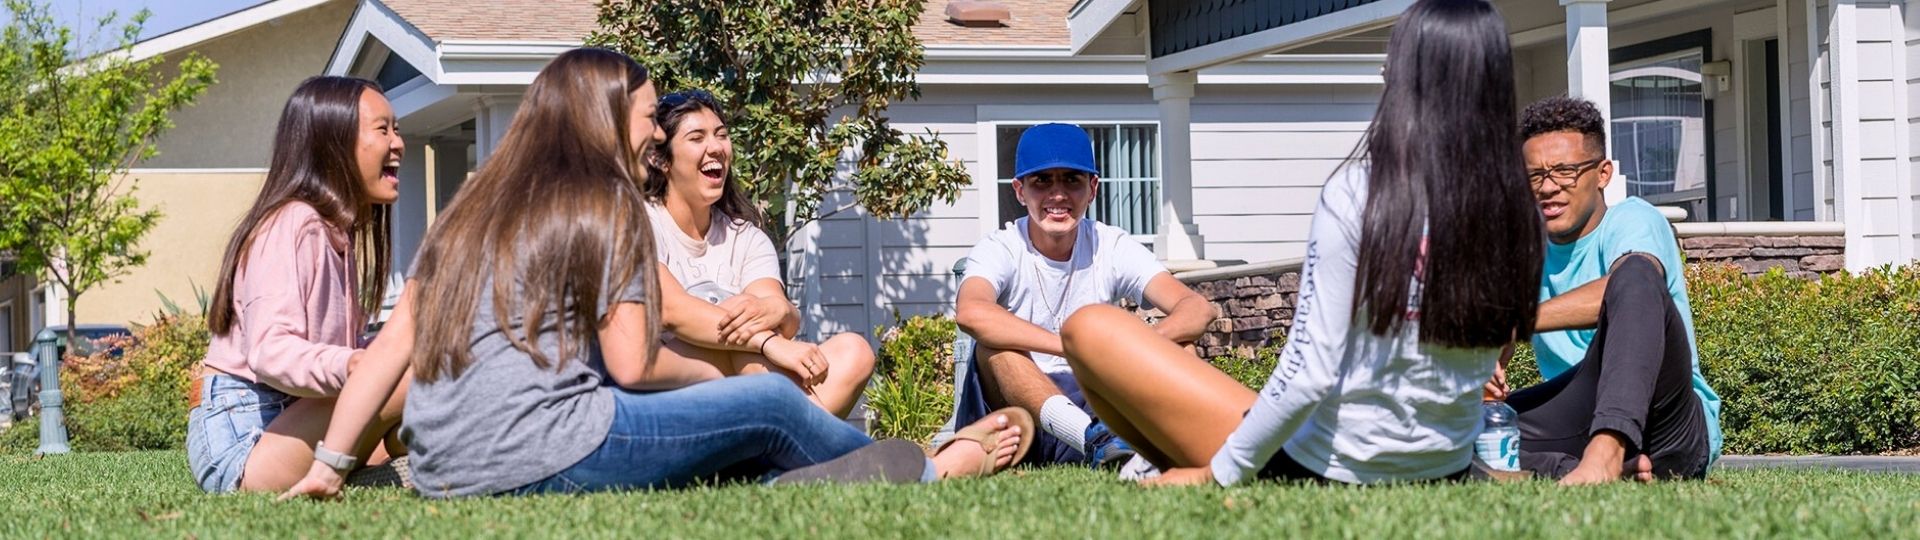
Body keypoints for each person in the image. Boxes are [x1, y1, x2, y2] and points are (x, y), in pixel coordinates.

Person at [279, 48, 1029, 500]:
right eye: (646, 118)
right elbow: (634, 364)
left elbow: (390, 348)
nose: (652, 136)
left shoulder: (472, 203)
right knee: (766, 403)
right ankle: (929, 472)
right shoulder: (604, 201)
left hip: (447, 468)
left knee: (732, 426)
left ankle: (795, 485)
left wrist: (332, 465)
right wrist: (732, 387)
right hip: (547, 451)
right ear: (604, 121)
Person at [1057, 0, 1545, 486]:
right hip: (1447, 466)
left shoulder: (1362, 192)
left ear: (1401, 76)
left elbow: (1309, 370)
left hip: (1326, 469)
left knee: (1089, 328)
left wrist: (1218, 474)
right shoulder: (1515, 206)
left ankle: (1165, 465)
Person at [189, 76, 408, 493]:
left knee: (420, 378)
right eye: (383, 130)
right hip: (244, 442)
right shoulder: (294, 222)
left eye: (396, 129)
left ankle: (402, 465)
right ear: (334, 145)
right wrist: (354, 367)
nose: (397, 143)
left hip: (290, 420)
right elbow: (272, 351)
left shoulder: (336, 233)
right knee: (407, 372)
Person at [951, 123, 1215, 469]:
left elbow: (1196, 308)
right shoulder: (1000, 246)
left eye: (1071, 180)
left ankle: (1192, 441)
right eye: (1042, 181)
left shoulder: (1112, 244)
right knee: (995, 348)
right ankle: (1096, 442)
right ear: (1019, 190)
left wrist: (1137, 347)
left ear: (1092, 188)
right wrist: (1072, 346)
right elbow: (971, 312)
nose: (1057, 195)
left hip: (1096, 399)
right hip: (1016, 420)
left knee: (1180, 345)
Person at [1487, 95, 1721, 484]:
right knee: (1454, 434)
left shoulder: (1633, 219)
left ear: (1603, 173)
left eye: (1565, 171)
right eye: (1534, 175)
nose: (1548, 187)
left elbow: (1628, 288)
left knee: (1634, 275)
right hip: (1578, 415)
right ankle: (1587, 470)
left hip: (1667, 423)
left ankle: (1606, 453)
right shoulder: (1522, 248)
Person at [641, 89, 874, 417]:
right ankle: (814, 443)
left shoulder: (745, 237)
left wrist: (776, 310)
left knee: (855, 351)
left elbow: (777, 311)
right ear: (661, 160)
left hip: (741, 387)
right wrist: (767, 341)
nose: (716, 147)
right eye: (697, 137)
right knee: (744, 345)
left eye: (721, 135)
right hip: (663, 393)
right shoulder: (640, 221)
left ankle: (779, 446)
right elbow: (671, 310)